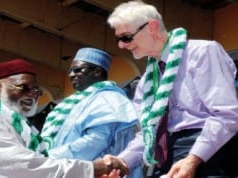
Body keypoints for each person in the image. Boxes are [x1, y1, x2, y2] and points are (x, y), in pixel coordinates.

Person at [96, 0, 238, 177]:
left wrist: (192, 159)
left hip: (208, 156)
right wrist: (122, 162)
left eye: (126, 37)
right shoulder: (145, 82)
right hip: (165, 158)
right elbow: (147, 133)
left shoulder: (202, 52)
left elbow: (226, 115)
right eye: (118, 40)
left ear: (152, 27)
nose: (121, 45)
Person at [0, 59, 120, 178]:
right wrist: (91, 168)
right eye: (23, 88)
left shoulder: (18, 129)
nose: (32, 95)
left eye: (36, 91)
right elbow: (26, 167)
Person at [40, 47, 143, 178]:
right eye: (70, 71)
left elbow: (97, 141)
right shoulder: (78, 101)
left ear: (97, 71)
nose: (71, 75)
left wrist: (51, 158)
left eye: (78, 70)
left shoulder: (109, 99)